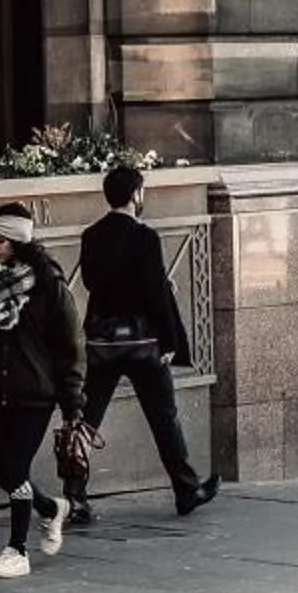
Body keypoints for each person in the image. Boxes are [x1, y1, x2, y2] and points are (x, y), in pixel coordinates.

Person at [69, 164, 219, 524]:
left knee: (86, 420)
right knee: (163, 417)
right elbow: (153, 295)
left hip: (103, 342)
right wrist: (169, 340)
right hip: (143, 341)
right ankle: (186, 489)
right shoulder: (145, 237)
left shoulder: (91, 235)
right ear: (136, 195)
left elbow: (90, 282)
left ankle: (76, 496)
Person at [0, 200, 86, 580]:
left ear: (20, 242)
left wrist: (73, 404)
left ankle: (17, 549)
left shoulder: (48, 284)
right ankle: (51, 509)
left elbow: (70, 347)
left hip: (35, 391)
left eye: (2, 240)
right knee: (0, 471)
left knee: (15, 468)